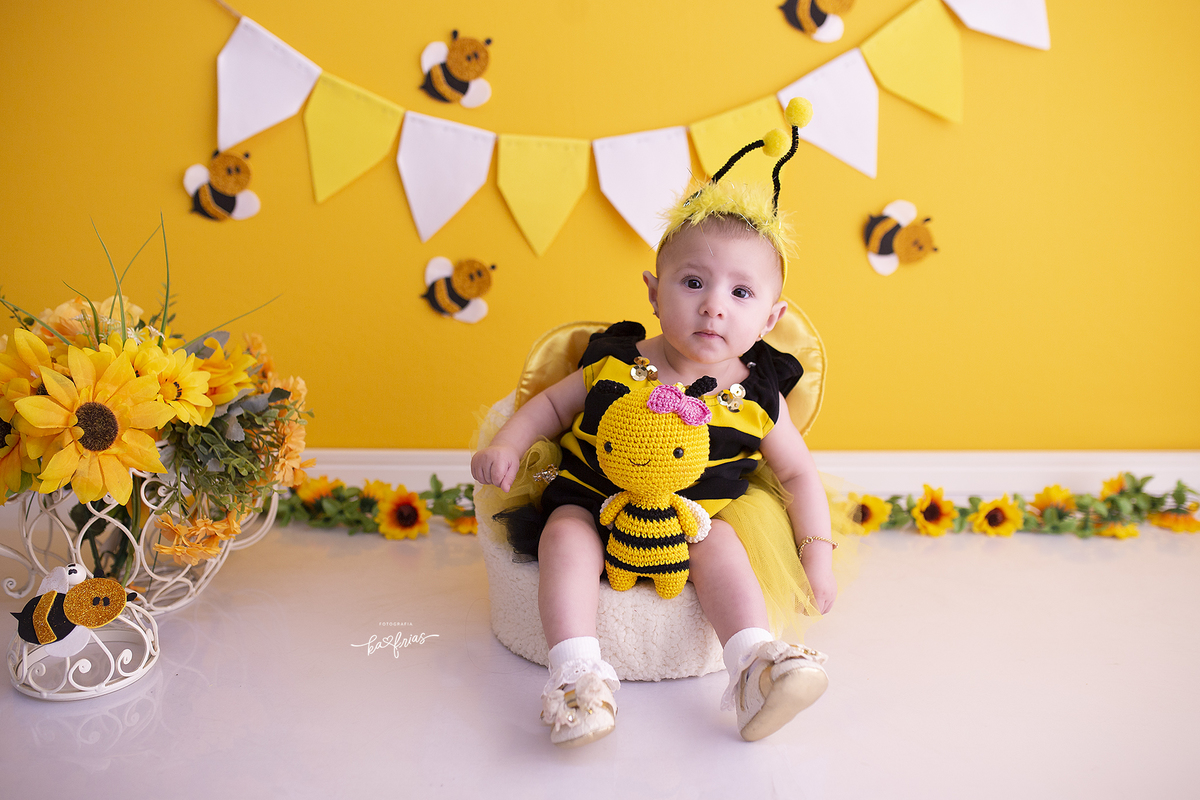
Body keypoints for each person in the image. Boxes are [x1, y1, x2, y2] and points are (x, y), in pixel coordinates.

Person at [472, 98, 840, 746]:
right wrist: (509, 442)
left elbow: (799, 476)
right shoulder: (620, 357)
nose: (714, 308)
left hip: (693, 516)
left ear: (771, 319)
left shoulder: (759, 394)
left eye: (741, 293)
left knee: (724, 547)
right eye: (693, 282)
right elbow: (552, 406)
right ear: (654, 289)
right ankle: (578, 679)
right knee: (563, 534)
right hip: (594, 498)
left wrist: (817, 559)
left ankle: (754, 666)